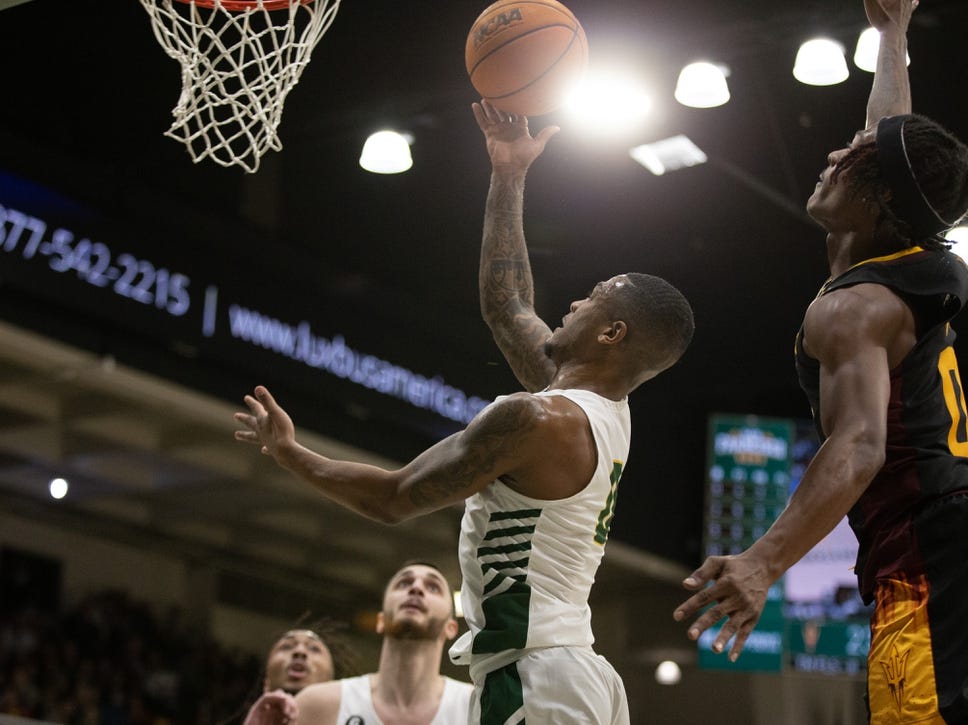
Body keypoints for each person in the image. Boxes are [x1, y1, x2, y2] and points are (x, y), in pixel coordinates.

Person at [673, 1, 968, 723]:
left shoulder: (854, 306)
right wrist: (891, 34)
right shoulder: (907, 246)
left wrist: (764, 561)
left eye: (851, 162)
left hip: (932, 543)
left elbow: (864, 444)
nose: (835, 155)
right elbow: (885, 138)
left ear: (876, 202)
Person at [234, 100, 694, 724]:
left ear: (611, 335)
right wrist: (508, 172)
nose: (576, 300)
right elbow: (507, 307)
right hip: (567, 671)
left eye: (594, 298)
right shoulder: (599, 409)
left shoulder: (537, 421)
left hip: (537, 675)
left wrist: (291, 454)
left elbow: (393, 498)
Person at [243, 562, 472, 725]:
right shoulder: (317, 704)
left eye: (432, 587)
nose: (416, 588)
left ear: (451, 627)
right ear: (380, 621)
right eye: (403, 583)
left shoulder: (476, 706)